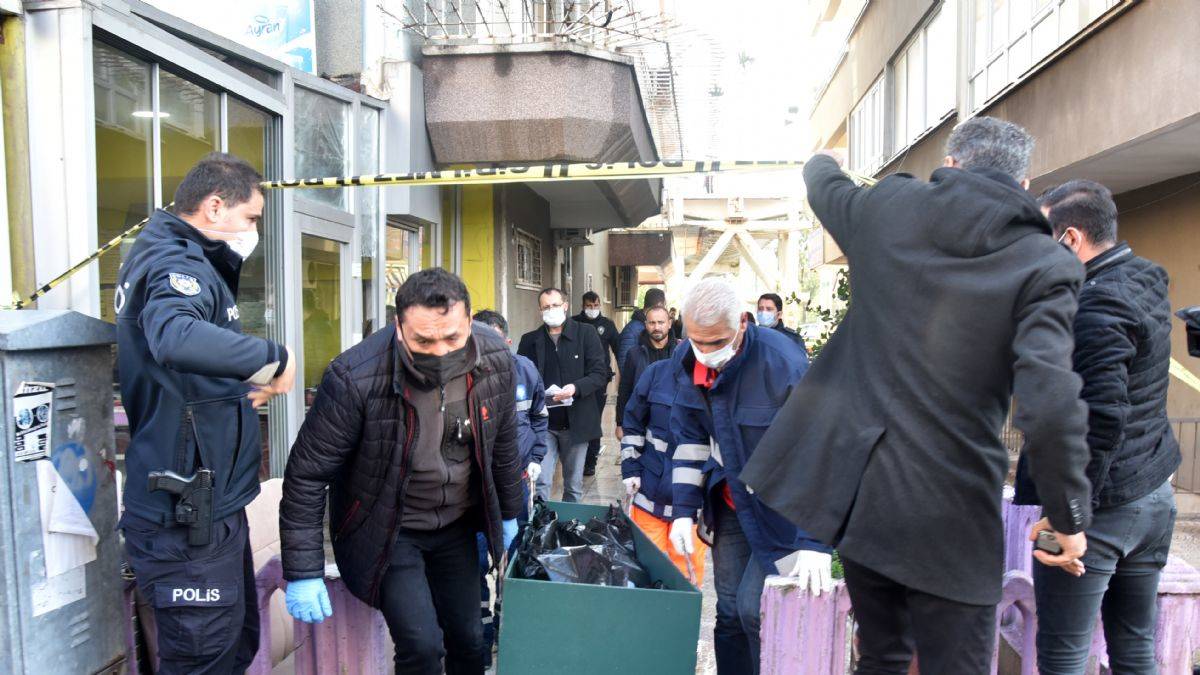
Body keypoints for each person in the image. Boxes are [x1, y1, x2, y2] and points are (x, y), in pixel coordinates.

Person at [742, 117, 1094, 675]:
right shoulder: (1045, 263)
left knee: (881, 657)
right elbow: (1048, 402)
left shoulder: (888, 208)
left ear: (951, 164)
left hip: (866, 495)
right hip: (956, 510)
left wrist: (822, 159)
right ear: (1025, 184)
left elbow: (823, 184)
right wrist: (1067, 514)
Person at [279, 268, 523, 675]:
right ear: (399, 327)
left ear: (469, 322)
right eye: (423, 341)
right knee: (422, 646)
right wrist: (303, 570)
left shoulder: (495, 359)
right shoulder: (354, 377)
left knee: (469, 638)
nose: (440, 352)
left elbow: (503, 443)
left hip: (456, 525)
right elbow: (307, 474)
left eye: (452, 338)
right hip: (390, 530)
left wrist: (511, 514)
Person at [116, 153, 296, 674]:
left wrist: (235, 386)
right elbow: (176, 337)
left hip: (210, 507)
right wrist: (273, 358)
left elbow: (183, 373)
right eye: (251, 217)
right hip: (185, 519)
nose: (254, 230)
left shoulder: (182, 257)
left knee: (232, 648)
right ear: (215, 207)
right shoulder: (176, 262)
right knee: (203, 659)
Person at [1014, 181, 1180, 674]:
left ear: (1069, 238)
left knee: (1063, 656)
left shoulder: (1093, 307)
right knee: (1135, 650)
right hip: (1153, 496)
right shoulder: (1144, 278)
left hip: (1099, 508)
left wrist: (1068, 519)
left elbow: (1098, 420)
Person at [667, 278, 832, 675]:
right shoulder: (687, 360)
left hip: (783, 511)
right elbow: (690, 440)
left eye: (716, 342)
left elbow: (819, 451)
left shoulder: (783, 364)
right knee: (727, 611)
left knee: (755, 609)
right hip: (731, 504)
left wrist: (815, 540)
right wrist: (683, 512)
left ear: (743, 322)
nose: (706, 353)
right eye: (697, 341)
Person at [471, 309, 549, 663]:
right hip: (472, 494)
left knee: (513, 563)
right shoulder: (460, 375)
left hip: (515, 486)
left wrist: (536, 457)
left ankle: (509, 633)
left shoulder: (526, 371)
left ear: (506, 340)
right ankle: (480, 639)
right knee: (472, 566)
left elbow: (539, 417)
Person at [517, 288, 608, 503]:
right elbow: (522, 378)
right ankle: (540, 522)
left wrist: (575, 388)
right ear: (540, 310)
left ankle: (569, 523)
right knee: (540, 482)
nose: (551, 310)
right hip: (543, 426)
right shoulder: (530, 340)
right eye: (546, 307)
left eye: (555, 305)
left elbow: (599, 373)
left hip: (576, 424)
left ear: (565, 306)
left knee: (573, 487)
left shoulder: (586, 334)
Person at [620, 358, 707, 582]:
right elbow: (633, 424)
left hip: (693, 503)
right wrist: (630, 468)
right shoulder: (657, 373)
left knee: (687, 577)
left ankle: (682, 607)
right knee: (644, 571)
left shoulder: (718, 379)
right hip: (649, 494)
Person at [574, 291, 619, 476]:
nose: (592, 309)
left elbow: (618, 349)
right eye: (589, 306)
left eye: (595, 305)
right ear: (583, 306)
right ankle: (575, 460)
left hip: (599, 380)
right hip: (576, 381)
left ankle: (590, 461)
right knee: (577, 420)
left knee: (593, 420)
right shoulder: (574, 323)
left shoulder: (607, 325)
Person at [615, 305, 675, 438]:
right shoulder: (634, 354)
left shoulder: (679, 352)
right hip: (641, 422)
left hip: (672, 423)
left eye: (661, 322)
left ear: (669, 324)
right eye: (652, 323)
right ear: (645, 324)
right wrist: (620, 423)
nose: (656, 327)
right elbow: (625, 390)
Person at [617, 287, 667, 366]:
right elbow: (624, 363)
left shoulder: (654, 327)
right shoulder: (632, 330)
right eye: (664, 306)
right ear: (659, 305)